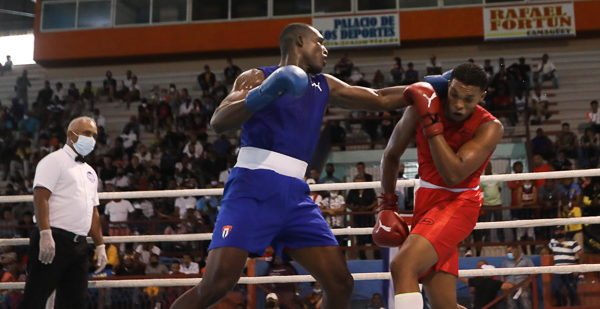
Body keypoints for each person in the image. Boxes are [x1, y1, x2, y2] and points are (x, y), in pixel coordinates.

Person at [171, 23, 420, 309]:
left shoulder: (324, 84)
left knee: (340, 283)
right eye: (321, 42)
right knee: (217, 284)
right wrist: (266, 92)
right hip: (253, 189)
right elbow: (219, 122)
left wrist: (430, 87)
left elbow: (380, 97)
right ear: (300, 41)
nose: (326, 50)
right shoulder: (257, 77)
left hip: (296, 197)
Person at [375, 63, 503, 309]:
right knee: (444, 306)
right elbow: (391, 155)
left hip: (459, 203)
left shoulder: (490, 127)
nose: (458, 105)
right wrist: (387, 204)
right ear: (448, 87)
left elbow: (453, 174)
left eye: (468, 99)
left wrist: (432, 124)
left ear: (482, 97)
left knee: (403, 266)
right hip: (426, 202)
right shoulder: (424, 106)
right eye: (454, 94)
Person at [19, 116, 107, 309]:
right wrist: (45, 233)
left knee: (74, 303)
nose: (91, 138)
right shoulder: (53, 161)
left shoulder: (90, 171)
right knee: (35, 299)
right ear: (70, 134)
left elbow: (92, 211)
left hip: (80, 246)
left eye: (94, 135)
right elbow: (40, 198)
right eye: (86, 133)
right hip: (54, 239)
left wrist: (100, 245)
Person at [549, 226, 582, 306]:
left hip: (570, 271)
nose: (559, 232)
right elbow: (547, 250)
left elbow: (582, 256)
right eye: (557, 230)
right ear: (554, 232)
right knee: (555, 289)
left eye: (561, 230)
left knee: (572, 292)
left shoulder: (572, 243)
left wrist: (577, 268)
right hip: (558, 271)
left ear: (564, 231)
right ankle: (563, 303)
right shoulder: (552, 242)